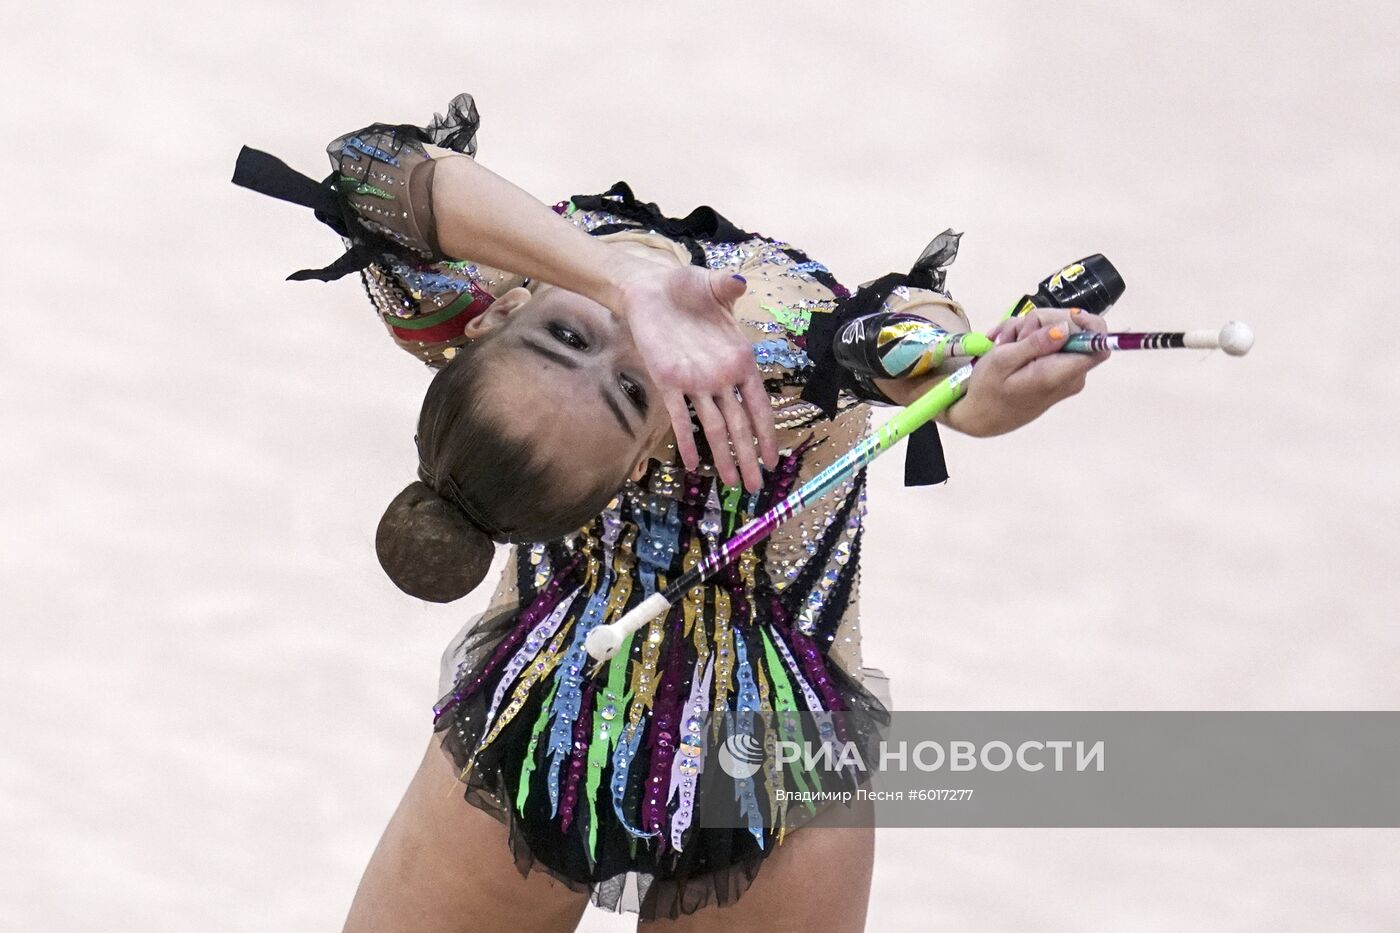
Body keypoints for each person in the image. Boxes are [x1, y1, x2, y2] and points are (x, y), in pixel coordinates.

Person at [234, 93, 1108, 932]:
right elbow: (893, 348)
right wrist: (984, 383)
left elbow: (371, 168)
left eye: (565, 335)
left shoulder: (463, 295)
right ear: (644, 456)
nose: (630, 347)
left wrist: (617, 274)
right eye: (625, 393)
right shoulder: (749, 389)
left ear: (498, 312)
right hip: (558, 741)